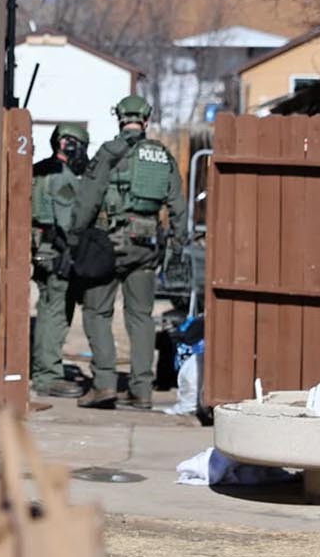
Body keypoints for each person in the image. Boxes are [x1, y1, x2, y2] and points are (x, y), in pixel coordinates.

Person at [70, 94, 185, 410]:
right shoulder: (163, 155)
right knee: (141, 317)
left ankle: (104, 384)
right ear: (146, 120)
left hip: (110, 244)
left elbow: (88, 199)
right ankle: (141, 389)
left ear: (119, 119)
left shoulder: (110, 152)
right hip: (147, 245)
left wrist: (75, 238)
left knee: (96, 312)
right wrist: (176, 241)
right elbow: (178, 205)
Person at [30, 123, 90, 398]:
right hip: (55, 252)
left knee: (46, 309)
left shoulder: (40, 169)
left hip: (40, 249)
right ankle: (47, 376)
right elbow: (67, 223)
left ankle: (44, 369)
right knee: (55, 313)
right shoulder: (63, 177)